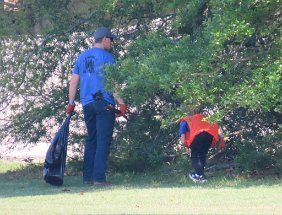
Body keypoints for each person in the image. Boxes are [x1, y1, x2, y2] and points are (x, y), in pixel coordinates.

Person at [66, 27, 127, 186]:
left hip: (87, 105)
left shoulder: (82, 57)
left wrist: (71, 104)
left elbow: (73, 83)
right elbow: (113, 84)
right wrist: (121, 103)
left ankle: (87, 178)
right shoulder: (108, 57)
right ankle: (99, 178)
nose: (112, 42)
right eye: (111, 39)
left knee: (91, 139)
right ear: (105, 38)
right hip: (104, 104)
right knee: (103, 141)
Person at [180, 113, 225, 183]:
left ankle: (200, 176)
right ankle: (201, 175)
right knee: (202, 155)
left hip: (197, 136)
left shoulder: (185, 121)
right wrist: (221, 140)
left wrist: (188, 147)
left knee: (195, 156)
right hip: (209, 135)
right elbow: (218, 128)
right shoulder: (204, 118)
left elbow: (183, 141)